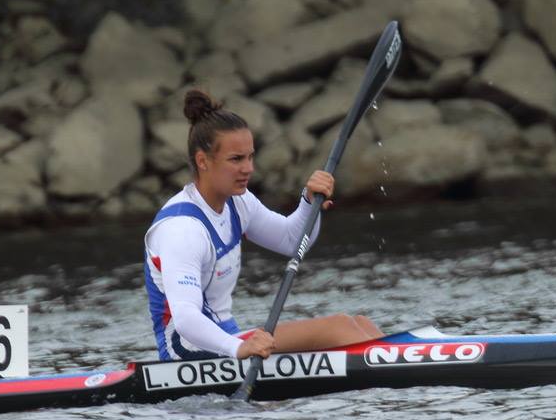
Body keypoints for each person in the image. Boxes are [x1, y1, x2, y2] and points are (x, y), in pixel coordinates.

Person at [144, 89, 383, 362]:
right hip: (188, 351)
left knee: (361, 324)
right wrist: (238, 349)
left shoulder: (239, 202)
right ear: (203, 161)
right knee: (341, 328)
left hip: (227, 341)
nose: (248, 169)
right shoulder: (182, 228)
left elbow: (292, 242)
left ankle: (397, 373)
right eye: (236, 159)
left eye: (250, 157)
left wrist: (308, 203)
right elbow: (186, 317)